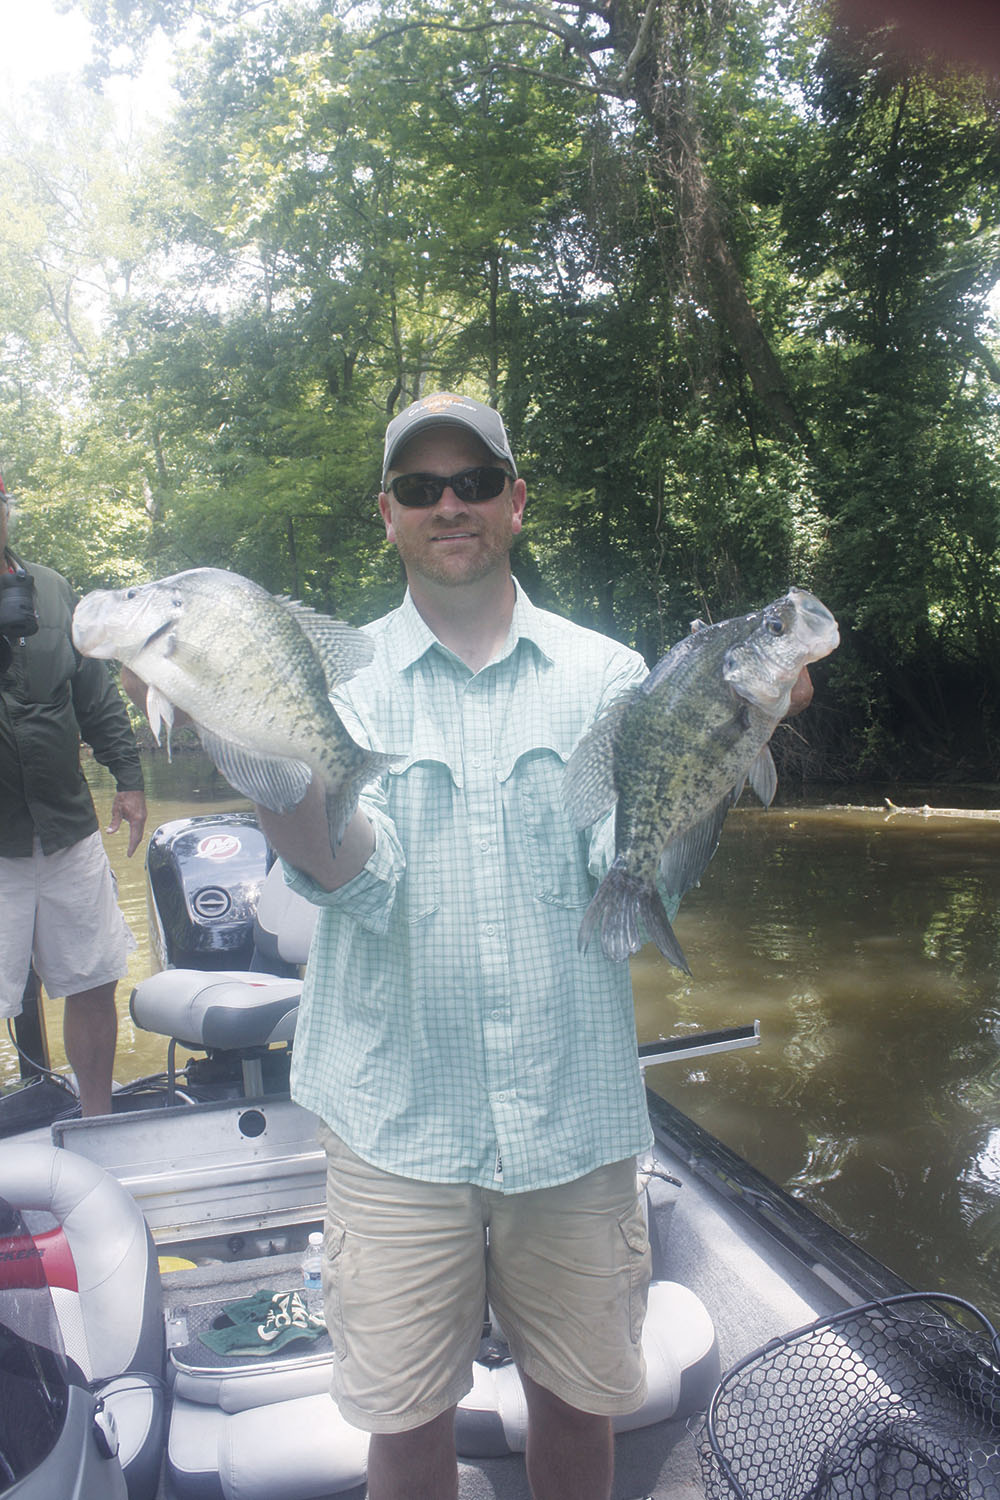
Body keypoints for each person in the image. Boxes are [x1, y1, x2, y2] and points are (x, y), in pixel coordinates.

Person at [258, 390, 774, 1500]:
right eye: (420, 487)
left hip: (572, 1117)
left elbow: (632, 866)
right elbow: (348, 874)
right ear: (387, 514)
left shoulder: (608, 673)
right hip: (392, 1118)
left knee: (584, 1403)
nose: (450, 504)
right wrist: (259, 765)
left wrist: (733, 739)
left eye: (475, 482)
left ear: (517, 502)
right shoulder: (332, 683)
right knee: (401, 1422)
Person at [0, 478, 147, 1117]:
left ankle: (98, 1120)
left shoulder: (55, 591)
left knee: (92, 979)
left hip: (67, 828)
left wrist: (130, 778)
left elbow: (95, 696)